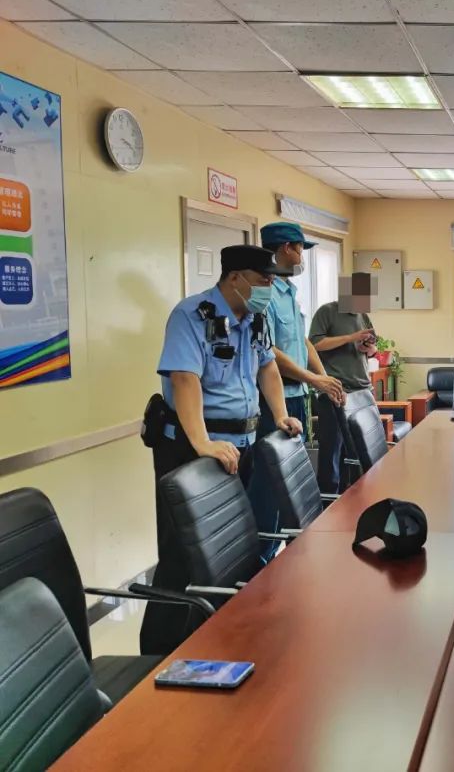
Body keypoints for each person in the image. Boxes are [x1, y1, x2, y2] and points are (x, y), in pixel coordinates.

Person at [144, 244, 303, 654]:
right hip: (192, 449)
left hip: (239, 446)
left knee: (227, 549)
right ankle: (160, 650)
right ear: (235, 277)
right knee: (183, 554)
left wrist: (280, 414)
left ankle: (215, 638)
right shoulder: (191, 316)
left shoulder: (253, 318)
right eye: (264, 280)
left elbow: (267, 367)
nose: (269, 287)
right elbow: (184, 379)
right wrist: (202, 443)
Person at [257, 221, 345, 440]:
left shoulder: (289, 293)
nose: (301, 258)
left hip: (298, 394)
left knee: (298, 456)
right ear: (287, 248)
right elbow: (268, 351)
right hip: (276, 399)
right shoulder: (265, 295)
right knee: (278, 459)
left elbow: (302, 341)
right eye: (300, 250)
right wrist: (313, 379)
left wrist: (325, 381)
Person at [308, 275, 379, 493]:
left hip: (362, 390)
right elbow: (315, 344)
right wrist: (350, 337)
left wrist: (368, 348)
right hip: (336, 391)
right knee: (332, 450)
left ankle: (355, 494)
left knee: (359, 449)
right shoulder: (327, 311)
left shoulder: (363, 316)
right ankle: (329, 497)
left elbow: (372, 349)